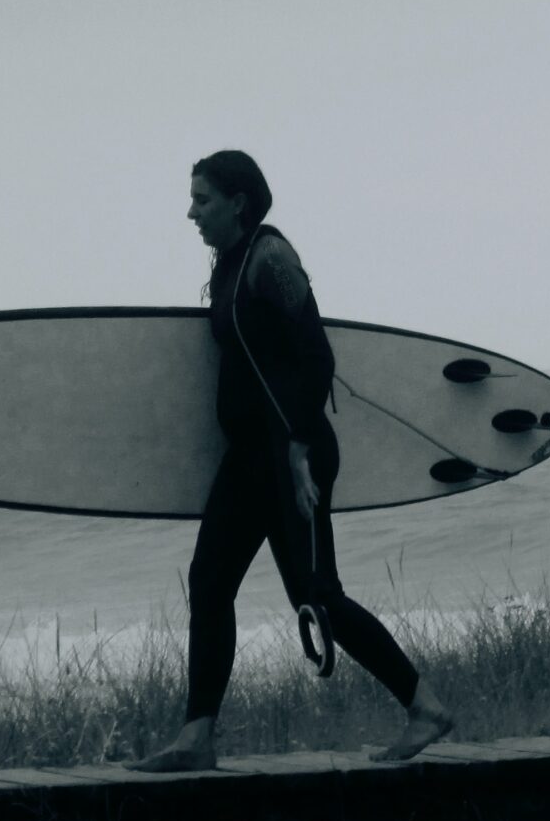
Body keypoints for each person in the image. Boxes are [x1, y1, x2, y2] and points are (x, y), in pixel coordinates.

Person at [133, 151, 456, 770]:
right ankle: (197, 735)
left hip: (291, 458)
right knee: (209, 582)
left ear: (238, 203)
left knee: (318, 596)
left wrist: (302, 450)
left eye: (202, 200)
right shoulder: (228, 264)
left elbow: (316, 356)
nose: (191, 212)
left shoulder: (271, 258)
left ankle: (426, 706)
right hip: (249, 458)